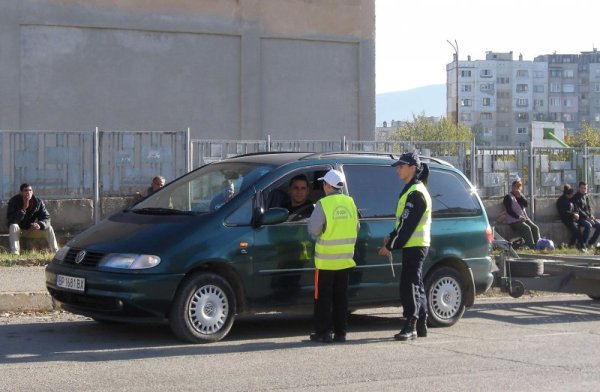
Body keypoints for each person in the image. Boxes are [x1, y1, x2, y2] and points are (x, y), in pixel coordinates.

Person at [378, 152, 432, 341]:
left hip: (415, 244)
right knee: (416, 283)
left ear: (413, 168)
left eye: (401, 166)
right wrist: (392, 236)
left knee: (409, 285)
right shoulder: (412, 190)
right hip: (415, 244)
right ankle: (421, 323)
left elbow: (408, 225)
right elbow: (403, 222)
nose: (398, 170)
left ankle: (411, 324)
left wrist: (391, 246)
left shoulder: (416, 193)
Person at [307, 169, 359, 343]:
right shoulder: (350, 202)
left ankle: (323, 333)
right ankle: (341, 332)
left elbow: (313, 229)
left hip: (325, 262)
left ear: (328, 186)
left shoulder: (323, 204)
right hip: (345, 260)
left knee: (323, 298)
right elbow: (357, 227)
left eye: (324, 184)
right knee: (341, 298)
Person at [6, 183, 59, 255]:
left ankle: (56, 252)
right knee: (13, 226)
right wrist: (23, 208)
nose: (28, 192)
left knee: (49, 228)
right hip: (19, 231)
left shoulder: (38, 202)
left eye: (30, 190)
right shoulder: (14, 201)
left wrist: (39, 225)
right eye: (26, 190)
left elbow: (46, 218)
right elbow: (11, 220)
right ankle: (15, 253)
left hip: (31, 230)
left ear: (32, 192)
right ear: (21, 192)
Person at [503, 179, 540, 249]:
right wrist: (518, 217)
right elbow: (509, 211)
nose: (517, 188)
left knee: (535, 228)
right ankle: (531, 246)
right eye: (516, 186)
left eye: (519, 187)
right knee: (527, 228)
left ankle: (538, 244)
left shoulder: (520, 196)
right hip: (514, 221)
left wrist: (520, 197)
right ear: (513, 187)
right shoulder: (508, 197)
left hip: (523, 218)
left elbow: (526, 204)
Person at [556, 184, 586, 250]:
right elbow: (563, 212)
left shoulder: (571, 199)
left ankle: (571, 244)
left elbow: (576, 208)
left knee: (579, 228)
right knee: (576, 230)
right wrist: (573, 215)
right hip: (566, 218)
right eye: (571, 194)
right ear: (567, 194)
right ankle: (582, 246)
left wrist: (576, 214)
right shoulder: (561, 200)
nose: (572, 195)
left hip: (573, 218)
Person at [573, 181, 600, 249]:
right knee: (588, 225)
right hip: (580, 218)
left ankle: (590, 243)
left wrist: (591, 215)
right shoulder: (575, 197)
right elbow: (578, 210)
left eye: (585, 188)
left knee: (599, 226)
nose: (584, 190)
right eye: (582, 188)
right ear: (579, 188)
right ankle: (583, 244)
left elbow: (589, 207)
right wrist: (587, 217)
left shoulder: (586, 196)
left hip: (588, 217)